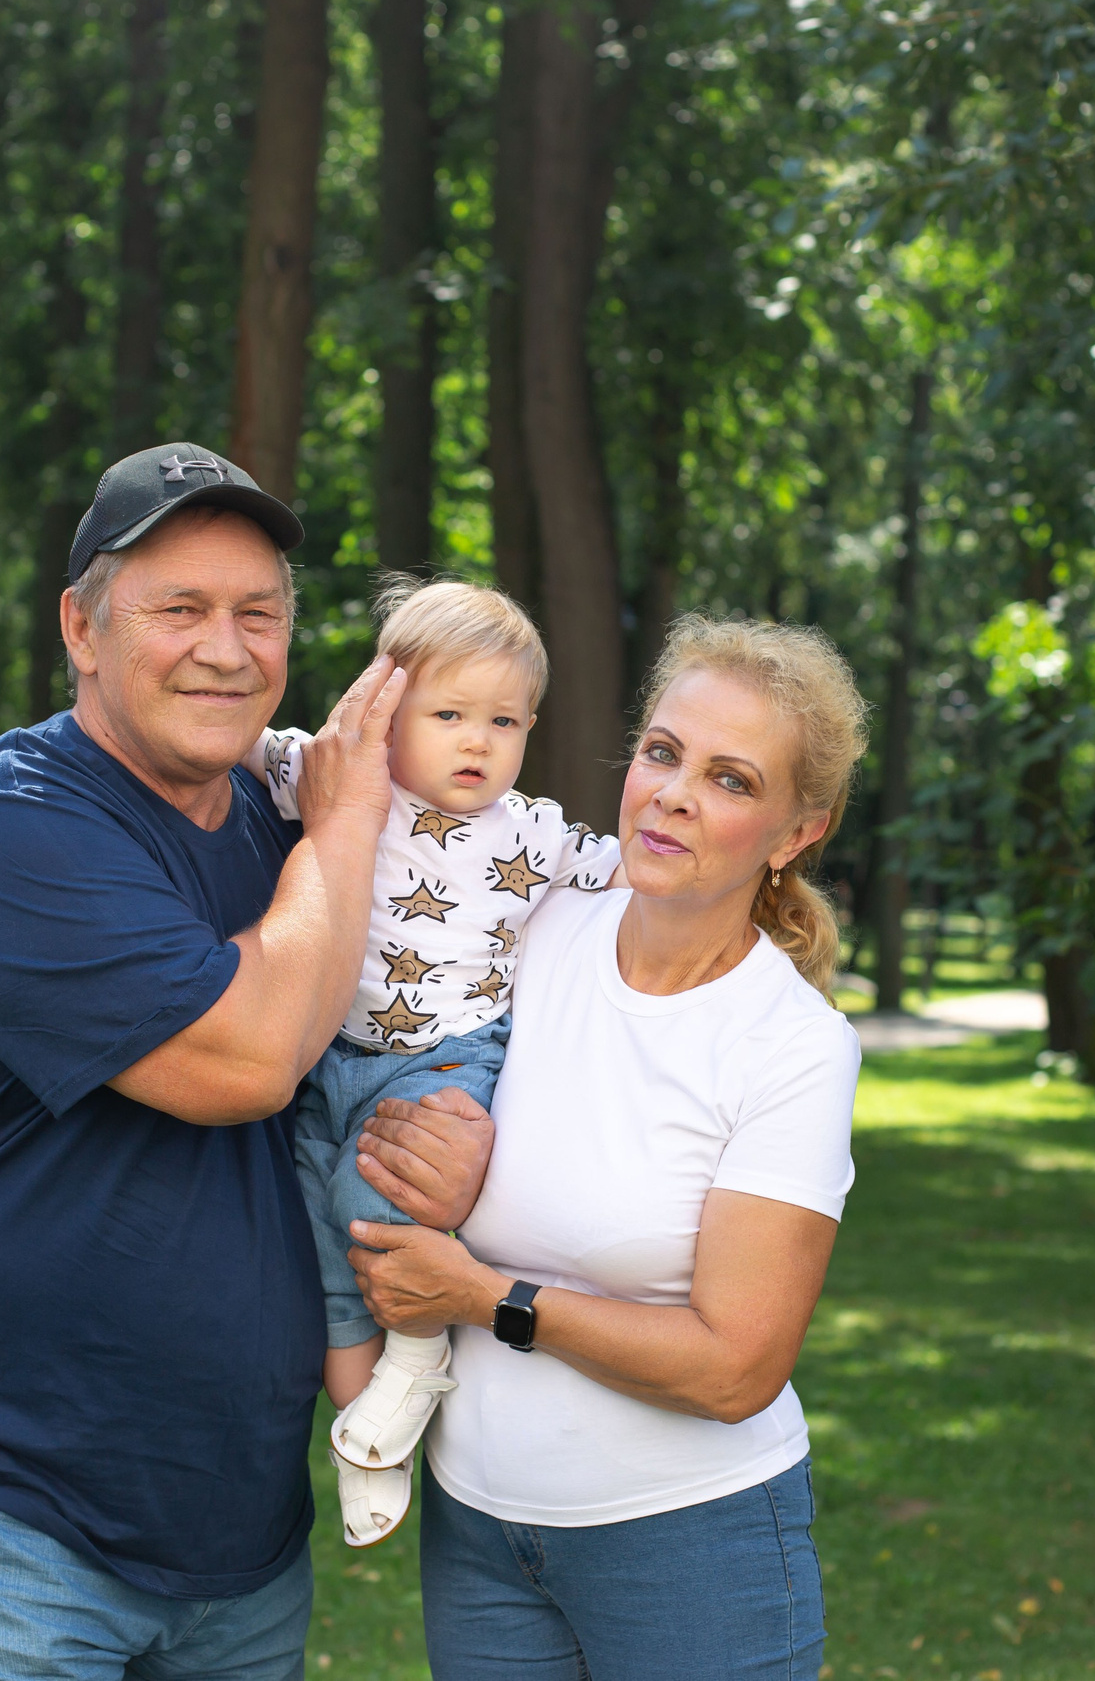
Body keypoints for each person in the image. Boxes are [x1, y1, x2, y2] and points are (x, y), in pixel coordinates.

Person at [0, 442, 492, 1681]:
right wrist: (351, 818)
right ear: (81, 630)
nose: (226, 648)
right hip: (10, 1503)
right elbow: (246, 1061)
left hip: (237, 1525)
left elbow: (386, 1043)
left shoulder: (280, 828)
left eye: (259, 614)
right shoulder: (3, 825)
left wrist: (445, 1141)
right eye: (179, 609)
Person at [349, 616, 869, 1681]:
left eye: (730, 780)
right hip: (479, 1538)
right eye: (664, 752)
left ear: (793, 833)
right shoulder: (526, 932)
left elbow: (736, 1369)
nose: (675, 793)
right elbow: (372, 1066)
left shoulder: (792, 1045)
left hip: (689, 1544)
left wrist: (486, 1296)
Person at [255, 577, 621, 1548]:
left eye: (503, 721)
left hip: (444, 1061)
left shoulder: (531, 833)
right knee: (318, 1239)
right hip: (330, 1056)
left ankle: (414, 1367)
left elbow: (632, 871)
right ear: (385, 707)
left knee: (373, 1208)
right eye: (448, 713)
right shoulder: (340, 781)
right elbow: (234, 746)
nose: (475, 740)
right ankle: (360, 1439)